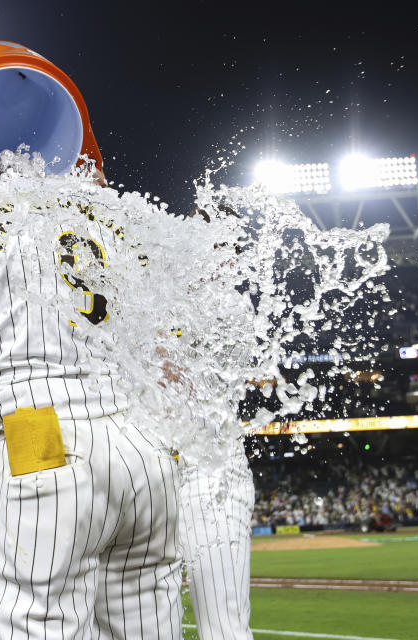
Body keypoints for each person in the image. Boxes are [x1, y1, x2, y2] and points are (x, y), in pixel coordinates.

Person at [0, 171, 183, 638]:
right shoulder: (106, 219)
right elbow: (163, 353)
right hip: (143, 447)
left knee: (33, 620)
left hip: (40, 432)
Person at [177, 205, 255, 640]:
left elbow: (168, 371)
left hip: (212, 478)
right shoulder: (172, 295)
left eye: (217, 240)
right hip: (161, 472)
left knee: (223, 627)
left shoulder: (228, 305)